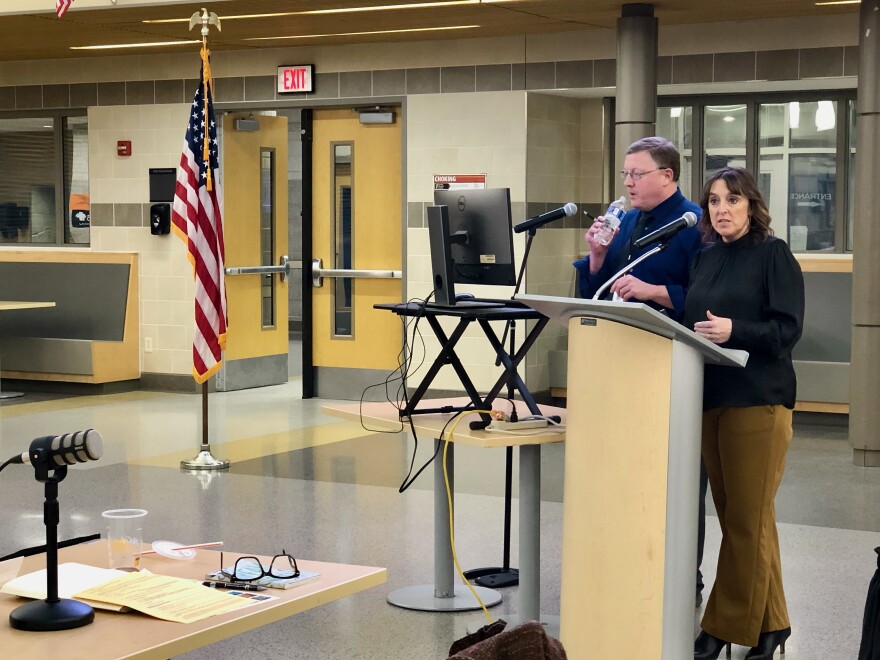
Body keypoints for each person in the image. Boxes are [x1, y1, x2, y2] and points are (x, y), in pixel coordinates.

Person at [573, 136, 710, 606]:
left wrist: (654, 292)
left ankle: (681, 575)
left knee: (673, 478)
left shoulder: (693, 225)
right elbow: (600, 289)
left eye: (638, 174)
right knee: (625, 472)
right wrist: (594, 256)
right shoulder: (626, 221)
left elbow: (707, 298)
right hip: (617, 365)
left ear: (667, 176)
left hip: (670, 366)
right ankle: (630, 558)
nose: (628, 182)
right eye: (626, 174)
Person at [684, 167, 804, 660]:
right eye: (713, 201)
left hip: (759, 399)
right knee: (745, 519)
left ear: (752, 205)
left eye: (732, 200)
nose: (721, 209)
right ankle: (773, 624)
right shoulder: (705, 258)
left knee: (745, 523)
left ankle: (720, 627)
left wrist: (736, 330)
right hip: (710, 398)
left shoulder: (772, 254)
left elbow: (786, 331)